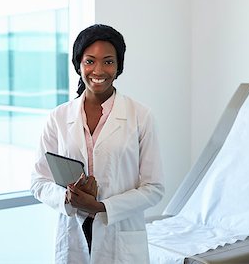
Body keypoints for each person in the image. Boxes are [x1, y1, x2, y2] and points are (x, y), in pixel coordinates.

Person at [30, 24, 164, 263]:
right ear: (78, 64)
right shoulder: (59, 117)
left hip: (119, 237)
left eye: (108, 62)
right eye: (90, 61)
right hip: (73, 233)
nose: (99, 70)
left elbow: (153, 189)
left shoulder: (140, 116)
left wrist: (102, 207)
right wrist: (68, 199)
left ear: (118, 66)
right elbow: (39, 181)